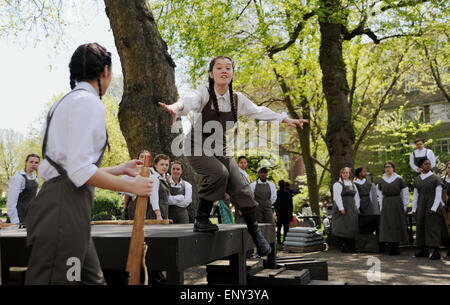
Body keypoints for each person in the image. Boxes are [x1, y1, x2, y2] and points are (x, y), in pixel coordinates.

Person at [24, 43, 153, 285]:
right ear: (105, 72)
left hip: (63, 206)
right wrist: (132, 187)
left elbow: (72, 168)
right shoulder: (89, 102)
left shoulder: (65, 102)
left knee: (91, 280)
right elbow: (79, 171)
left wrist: (121, 169)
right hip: (63, 211)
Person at [159, 55, 308, 257]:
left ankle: (256, 234)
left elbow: (259, 111)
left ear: (232, 73)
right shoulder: (204, 92)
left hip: (221, 148)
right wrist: (176, 108)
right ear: (211, 74)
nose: (224, 71)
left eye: (228, 68)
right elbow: (189, 102)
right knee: (219, 173)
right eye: (219, 68)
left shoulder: (237, 99)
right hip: (196, 145)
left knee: (242, 186)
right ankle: (201, 219)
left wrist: (284, 119)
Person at [412, 159, 445, 260]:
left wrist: (434, 207)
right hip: (421, 204)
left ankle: (435, 251)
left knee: (432, 227)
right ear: (421, 166)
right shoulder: (417, 179)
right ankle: (423, 250)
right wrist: (414, 208)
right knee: (421, 226)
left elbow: (438, 195)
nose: (428, 165)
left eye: (429, 164)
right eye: (426, 164)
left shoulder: (435, 178)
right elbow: (415, 195)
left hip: (432, 204)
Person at [377, 161, 409, 255]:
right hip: (386, 204)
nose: (388, 168)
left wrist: (405, 205)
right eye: (386, 167)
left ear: (393, 168)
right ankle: (391, 247)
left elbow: (405, 193)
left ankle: (396, 247)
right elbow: (380, 195)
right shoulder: (382, 180)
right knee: (388, 225)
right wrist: (381, 206)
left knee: (396, 224)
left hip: (396, 203)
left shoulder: (399, 179)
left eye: (389, 166)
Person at [331, 167, 360, 253]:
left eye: (347, 173)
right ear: (341, 174)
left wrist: (357, 207)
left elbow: (357, 196)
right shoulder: (338, 184)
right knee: (342, 227)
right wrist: (341, 208)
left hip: (351, 208)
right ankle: (343, 246)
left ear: (349, 174)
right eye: (344, 172)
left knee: (351, 226)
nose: (345, 174)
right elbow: (337, 197)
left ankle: (351, 246)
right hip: (342, 208)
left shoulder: (352, 184)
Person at [6, 154, 40, 224]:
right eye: (31, 162)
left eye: (36, 163)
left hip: (29, 215)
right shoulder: (18, 178)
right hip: (18, 216)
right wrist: (15, 222)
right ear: (26, 163)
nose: (34, 164)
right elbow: (11, 203)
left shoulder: (35, 179)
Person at [123, 150, 153, 220]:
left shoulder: (153, 172)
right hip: (135, 201)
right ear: (138, 159)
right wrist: (125, 204)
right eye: (142, 157)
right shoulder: (132, 171)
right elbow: (126, 190)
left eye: (146, 157)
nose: (143, 159)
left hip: (150, 203)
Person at [149, 154, 171, 220]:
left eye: (167, 165)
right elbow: (153, 197)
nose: (164, 167)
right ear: (155, 165)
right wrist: (158, 215)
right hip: (155, 213)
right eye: (162, 164)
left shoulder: (164, 177)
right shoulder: (154, 178)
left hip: (164, 211)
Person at [273, 180, 293, 244]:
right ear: (284, 185)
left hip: (279, 213)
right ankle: (285, 239)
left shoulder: (277, 193)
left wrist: (276, 211)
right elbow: (291, 204)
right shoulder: (288, 193)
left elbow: (274, 203)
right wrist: (291, 213)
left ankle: (278, 240)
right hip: (287, 213)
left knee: (279, 227)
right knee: (286, 227)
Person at [234, 156, 249, 224]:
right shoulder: (236, 173)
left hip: (247, 201)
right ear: (238, 163)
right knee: (239, 223)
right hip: (239, 201)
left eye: (245, 162)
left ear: (247, 164)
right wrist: (239, 207)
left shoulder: (246, 174)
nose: (243, 164)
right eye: (241, 163)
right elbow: (236, 190)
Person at [442, 161, 450, 258]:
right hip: (445, 208)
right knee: (447, 230)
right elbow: (439, 194)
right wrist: (442, 204)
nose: (449, 169)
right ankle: (448, 249)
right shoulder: (442, 180)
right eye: (448, 167)